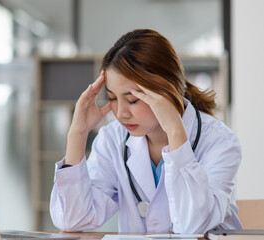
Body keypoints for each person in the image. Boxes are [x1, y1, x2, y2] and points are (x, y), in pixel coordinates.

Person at [49, 29, 242, 234]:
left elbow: (192, 226)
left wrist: (176, 133)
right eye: (113, 98)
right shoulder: (112, 139)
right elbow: (72, 220)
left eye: (132, 100)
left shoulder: (219, 141)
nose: (121, 113)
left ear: (167, 90)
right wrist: (77, 134)